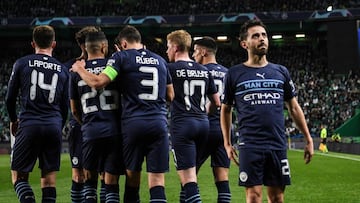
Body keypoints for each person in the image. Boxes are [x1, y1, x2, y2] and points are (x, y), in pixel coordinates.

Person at [71, 25, 174, 203]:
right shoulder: (160, 60)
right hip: (159, 124)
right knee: (157, 182)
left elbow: (99, 82)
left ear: (123, 43)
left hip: (132, 125)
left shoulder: (121, 57)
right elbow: (171, 95)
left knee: (132, 180)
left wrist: (80, 69)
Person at [220, 19, 314, 203]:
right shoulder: (234, 74)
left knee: (277, 197)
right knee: (253, 196)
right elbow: (225, 110)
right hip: (250, 143)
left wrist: (309, 139)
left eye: (264, 35)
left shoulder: (281, 72)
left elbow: (294, 107)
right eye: (256, 36)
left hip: (276, 143)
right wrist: (227, 143)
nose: (262, 39)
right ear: (244, 43)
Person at [5, 25, 69, 203]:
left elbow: (10, 99)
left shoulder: (22, 63)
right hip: (54, 125)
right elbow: (66, 108)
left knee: (18, 176)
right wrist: (59, 126)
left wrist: (13, 120)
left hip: (29, 124)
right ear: (54, 44)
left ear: (33, 43)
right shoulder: (63, 70)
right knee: (49, 180)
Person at [166, 30, 221, 203]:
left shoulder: (169, 69)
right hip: (203, 125)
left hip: (182, 124)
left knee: (188, 179)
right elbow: (217, 102)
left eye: (167, 47)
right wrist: (204, 113)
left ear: (175, 47)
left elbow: (167, 96)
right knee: (190, 176)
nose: (166, 51)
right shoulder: (204, 70)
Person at [63, 25, 102, 203]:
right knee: (79, 175)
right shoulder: (69, 68)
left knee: (102, 175)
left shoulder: (108, 64)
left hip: (97, 126)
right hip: (80, 126)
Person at [192, 36, 231, 203]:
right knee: (222, 179)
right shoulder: (228, 73)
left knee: (189, 177)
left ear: (203, 51)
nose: (193, 55)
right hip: (223, 131)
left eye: (194, 51)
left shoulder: (197, 71)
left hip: (203, 127)